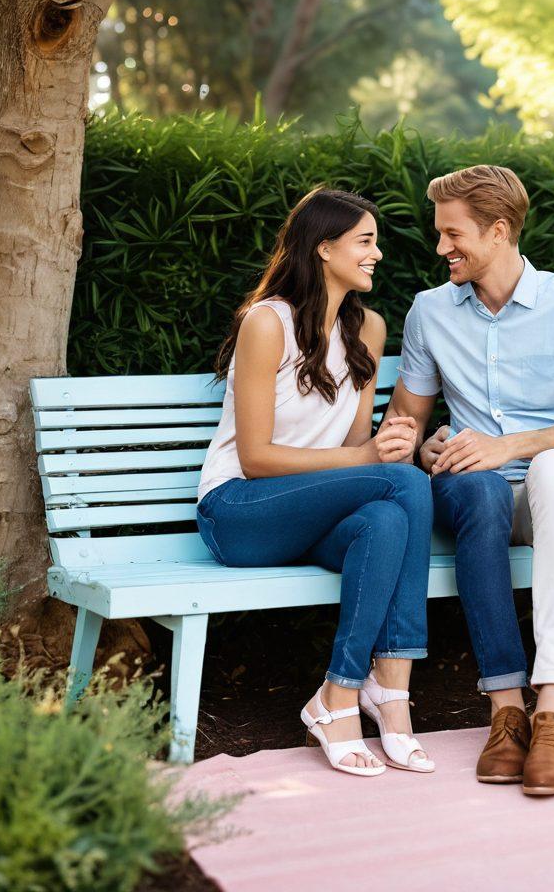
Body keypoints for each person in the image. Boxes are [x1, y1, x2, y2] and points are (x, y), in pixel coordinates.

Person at [383, 165, 554, 796]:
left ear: (498, 230)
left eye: (452, 234)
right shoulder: (429, 313)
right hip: (474, 494)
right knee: (481, 488)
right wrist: (420, 446)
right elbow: (403, 421)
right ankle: (507, 711)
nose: (440, 249)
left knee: (551, 465)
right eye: (439, 235)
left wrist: (509, 445)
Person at [196, 188, 435, 778]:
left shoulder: (369, 329)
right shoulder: (267, 323)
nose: (377, 253)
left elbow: (352, 449)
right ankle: (391, 693)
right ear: (324, 248)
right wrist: (375, 460)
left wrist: (384, 449)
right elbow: (254, 458)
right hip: (240, 512)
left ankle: (342, 692)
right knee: (403, 486)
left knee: (386, 515)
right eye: (365, 241)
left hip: (311, 517)